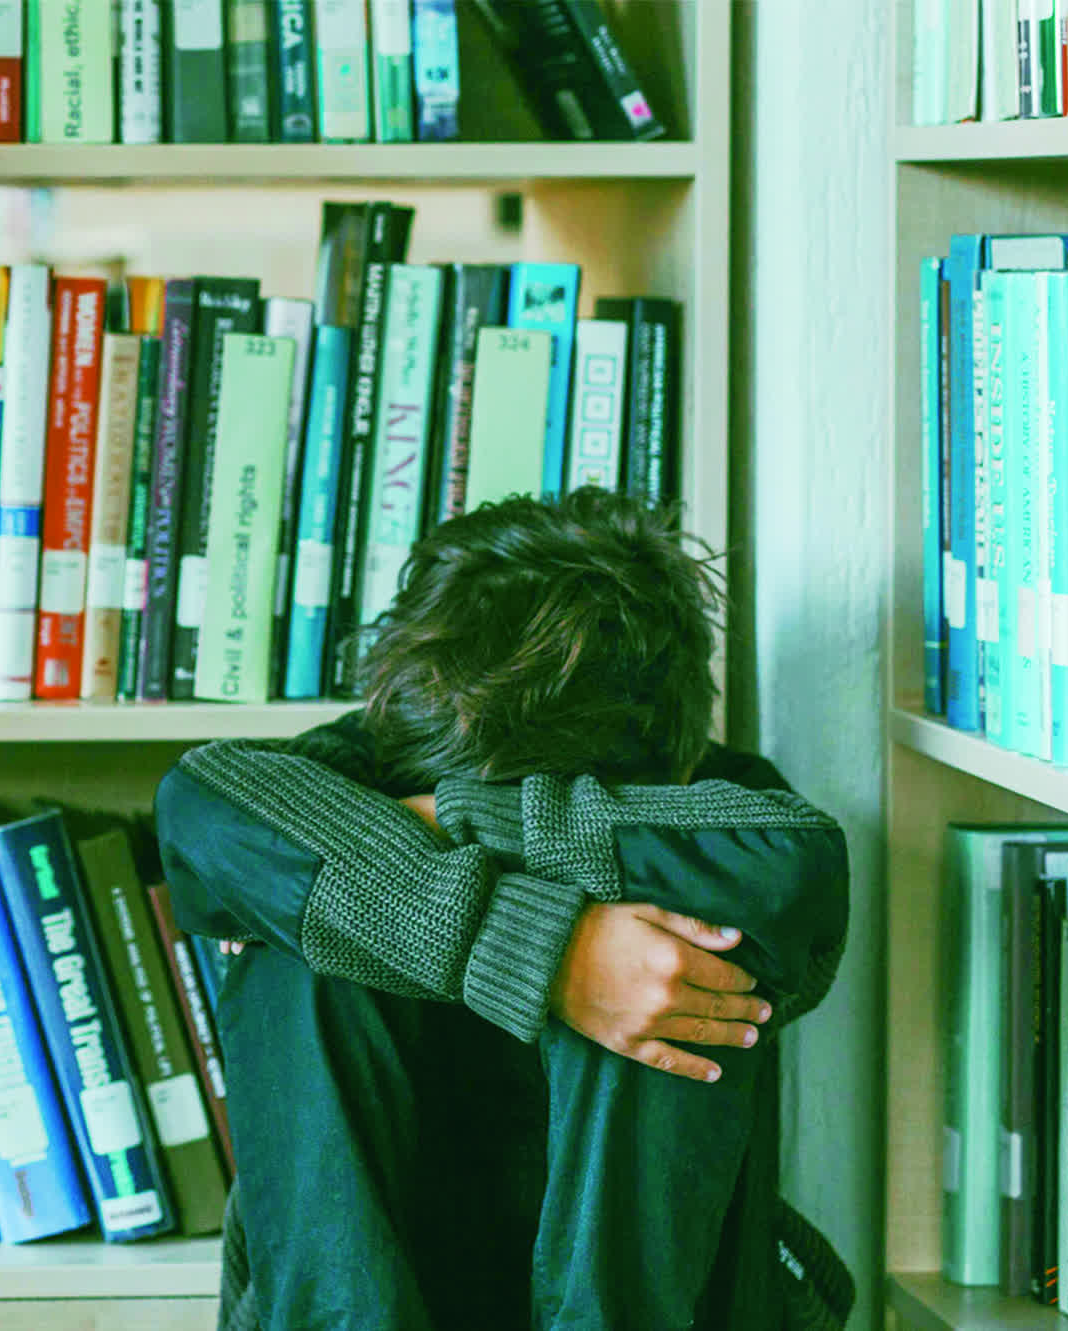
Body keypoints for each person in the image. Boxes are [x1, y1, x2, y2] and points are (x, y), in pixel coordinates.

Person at [157, 490, 853, 1330]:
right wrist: (548, 953)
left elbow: (800, 866)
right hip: (364, 1281)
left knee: (686, 919)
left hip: (663, 1302)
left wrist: (461, 818)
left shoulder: (729, 808)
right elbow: (196, 807)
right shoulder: (368, 760)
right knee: (301, 935)